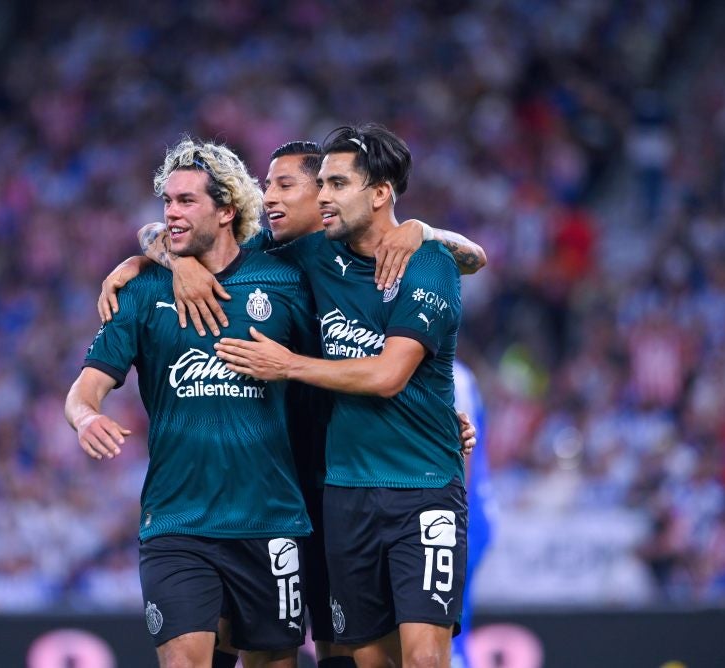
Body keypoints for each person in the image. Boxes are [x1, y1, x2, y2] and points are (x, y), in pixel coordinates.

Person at [98, 139, 485, 668]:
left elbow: (472, 258)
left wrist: (423, 229)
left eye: (288, 186)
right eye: (266, 186)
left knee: (347, 649)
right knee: (241, 639)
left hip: (341, 481)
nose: (270, 198)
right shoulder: (272, 256)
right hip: (282, 492)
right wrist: (169, 259)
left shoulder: (379, 254)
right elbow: (171, 230)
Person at [213, 123, 466, 668]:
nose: (323, 196)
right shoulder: (313, 254)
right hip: (344, 492)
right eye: (322, 184)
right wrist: (163, 260)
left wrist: (288, 365)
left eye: (337, 184)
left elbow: (389, 374)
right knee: (363, 659)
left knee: (424, 658)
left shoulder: (427, 263)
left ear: (379, 193)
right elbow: (203, 240)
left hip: (421, 486)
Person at [66, 137, 317, 668]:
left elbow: (340, 360)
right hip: (177, 522)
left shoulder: (284, 280)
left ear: (226, 211)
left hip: (269, 519)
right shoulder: (142, 291)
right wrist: (86, 418)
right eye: (167, 202)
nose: (171, 213)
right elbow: (85, 390)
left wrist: (430, 411)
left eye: (186, 201)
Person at [451, 360, 493, 668]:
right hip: (466, 513)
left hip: (464, 515)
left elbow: (465, 447)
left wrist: (455, 514)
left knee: (445, 623)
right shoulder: (460, 373)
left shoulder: (454, 376)